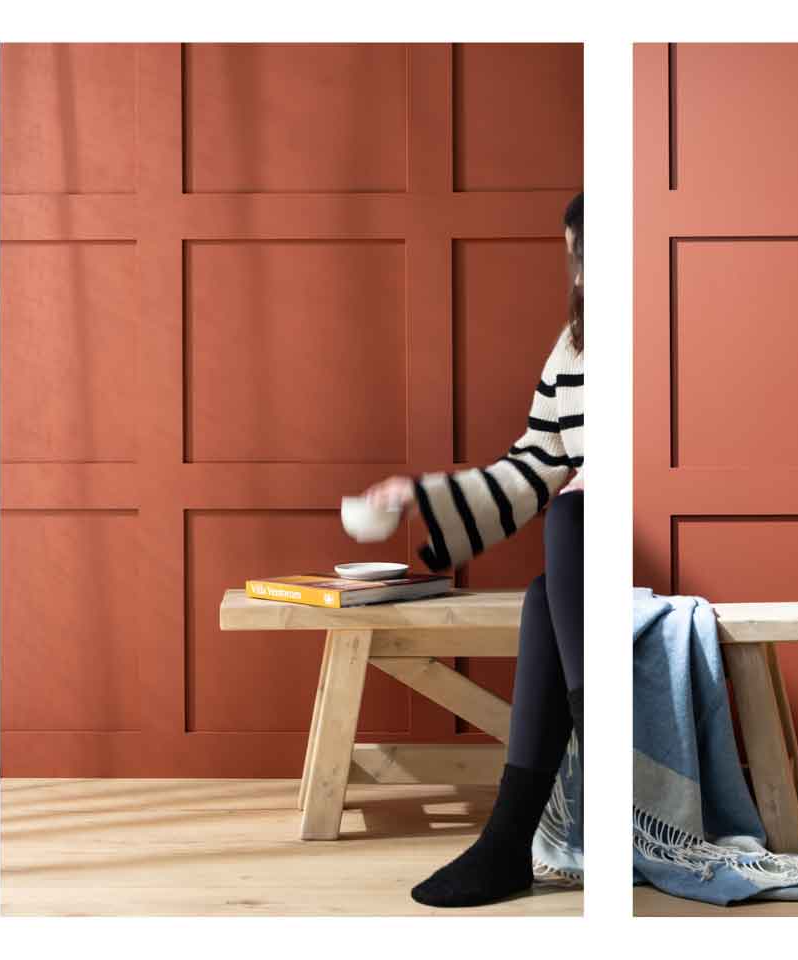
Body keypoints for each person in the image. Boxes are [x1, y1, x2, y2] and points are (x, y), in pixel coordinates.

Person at [361, 193, 584, 907]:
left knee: (571, 525)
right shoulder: (575, 345)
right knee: (546, 587)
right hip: (586, 566)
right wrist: (421, 495)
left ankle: (510, 836)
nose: (582, 275)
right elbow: (534, 462)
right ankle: (508, 841)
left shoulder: (673, 323)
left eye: (595, 256)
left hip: (671, 547)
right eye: (576, 258)